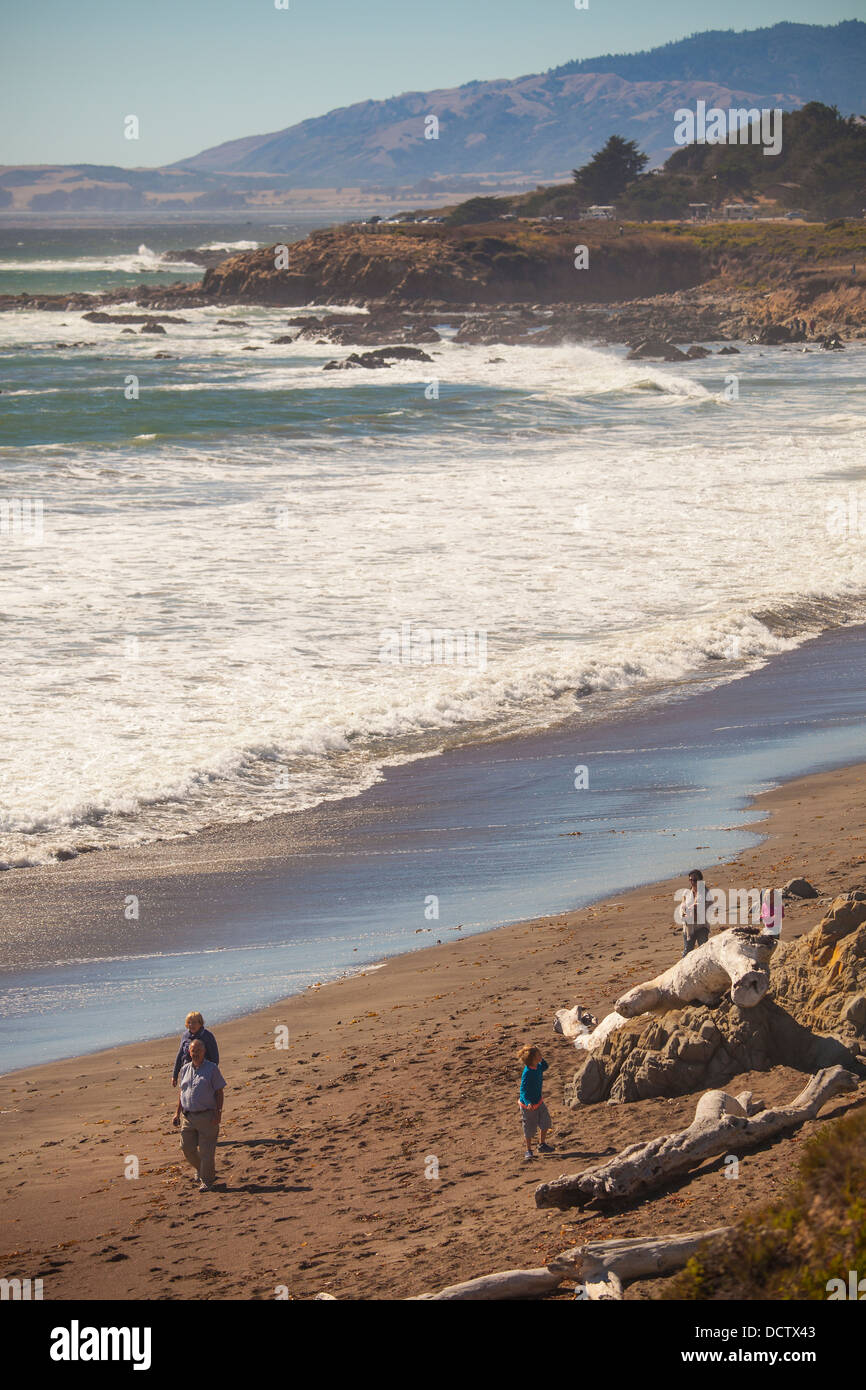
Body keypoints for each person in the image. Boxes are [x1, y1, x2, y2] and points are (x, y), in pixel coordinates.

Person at [173, 1037, 226, 1192]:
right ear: (189, 1052)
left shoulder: (212, 1069)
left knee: (206, 1151)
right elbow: (182, 1093)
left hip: (207, 1116)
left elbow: (219, 1092)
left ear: (204, 1052)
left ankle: (208, 1182)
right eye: (193, 1050)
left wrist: (218, 1112)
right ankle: (203, 1171)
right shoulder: (185, 1069)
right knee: (186, 1148)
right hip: (188, 1116)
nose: (195, 1053)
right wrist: (176, 1113)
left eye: (198, 1050)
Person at [518, 1045, 553, 1162]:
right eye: (539, 1055)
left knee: (546, 1121)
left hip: (538, 1101)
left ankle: (542, 1144)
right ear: (532, 1058)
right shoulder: (527, 1073)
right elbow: (523, 1090)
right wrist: (527, 1102)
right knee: (529, 1127)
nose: (541, 1056)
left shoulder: (538, 1067)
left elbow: (546, 1066)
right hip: (528, 1105)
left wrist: (541, 1059)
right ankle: (528, 1150)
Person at [171, 1011, 219, 1087]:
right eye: (189, 1022)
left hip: (203, 1072)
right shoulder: (185, 1036)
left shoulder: (207, 1036)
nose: (191, 1025)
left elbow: (215, 1058)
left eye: (194, 1022)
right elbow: (180, 1055)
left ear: (200, 1023)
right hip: (187, 1071)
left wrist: (212, 1074)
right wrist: (175, 1075)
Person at [676, 869, 710, 956]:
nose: (692, 882)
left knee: (703, 951)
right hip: (688, 927)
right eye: (690, 880)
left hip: (701, 926)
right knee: (687, 952)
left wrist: (694, 910)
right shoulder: (686, 893)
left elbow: (707, 910)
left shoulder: (706, 894)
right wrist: (685, 914)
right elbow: (682, 907)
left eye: (695, 880)